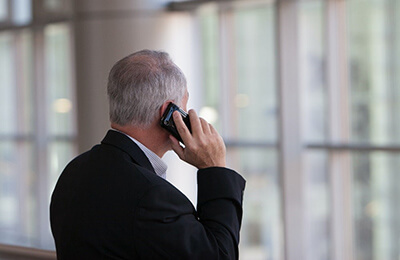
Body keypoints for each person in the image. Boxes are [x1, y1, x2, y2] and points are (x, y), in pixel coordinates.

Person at [50, 50, 246, 259]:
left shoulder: (74, 170)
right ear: (168, 114)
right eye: (185, 104)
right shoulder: (152, 198)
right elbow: (220, 255)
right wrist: (214, 169)